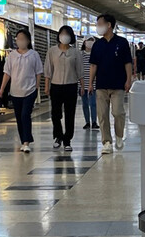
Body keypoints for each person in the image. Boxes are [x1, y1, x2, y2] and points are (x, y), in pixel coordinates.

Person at [88, 14, 133, 153]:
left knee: (118, 112)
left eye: (100, 24)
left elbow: (128, 63)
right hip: (101, 84)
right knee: (102, 114)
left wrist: (128, 80)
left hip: (118, 84)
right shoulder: (97, 45)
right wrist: (90, 83)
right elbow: (93, 65)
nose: (98, 27)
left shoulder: (122, 42)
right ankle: (106, 142)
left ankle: (119, 135)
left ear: (109, 25)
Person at [0, 28, 43, 154]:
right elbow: (7, 73)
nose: (20, 41)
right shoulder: (12, 55)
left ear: (28, 41)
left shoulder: (34, 55)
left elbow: (39, 72)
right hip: (15, 91)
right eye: (18, 39)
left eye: (23, 39)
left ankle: (26, 142)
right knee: (19, 117)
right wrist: (2, 88)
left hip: (30, 90)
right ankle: (23, 140)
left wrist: (37, 86)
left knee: (25, 115)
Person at [45, 25, 83, 151]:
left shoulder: (75, 52)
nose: (64, 36)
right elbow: (48, 69)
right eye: (62, 33)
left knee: (70, 113)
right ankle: (58, 136)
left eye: (67, 34)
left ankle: (67, 140)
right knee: (55, 114)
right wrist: (47, 86)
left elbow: (80, 70)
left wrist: (83, 85)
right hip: (56, 86)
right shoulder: (52, 51)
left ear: (71, 36)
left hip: (71, 85)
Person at [80, 36, 99, 130]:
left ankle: (94, 121)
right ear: (84, 42)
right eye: (88, 40)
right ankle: (87, 122)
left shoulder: (96, 54)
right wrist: (81, 84)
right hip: (82, 83)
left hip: (93, 83)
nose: (90, 42)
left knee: (93, 103)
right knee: (85, 104)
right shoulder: (80, 55)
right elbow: (78, 69)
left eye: (92, 41)